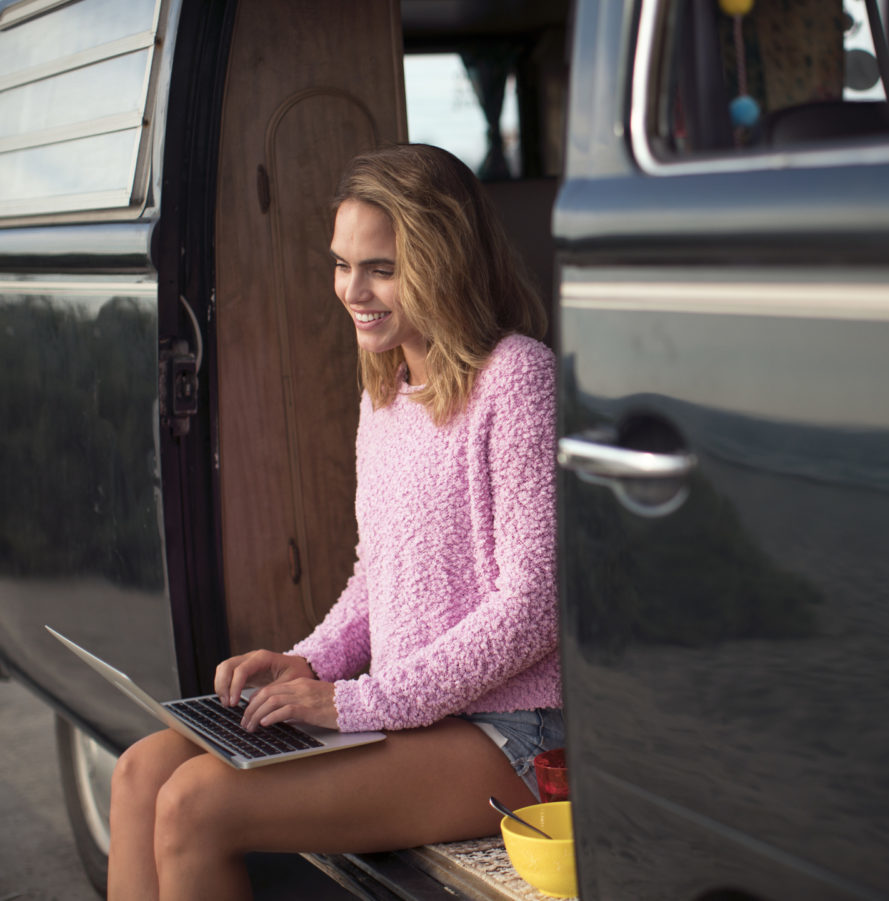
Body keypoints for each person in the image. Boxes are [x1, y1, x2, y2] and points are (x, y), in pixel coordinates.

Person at [107, 144, 561, 901]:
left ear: (442, 259)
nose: (353, 289)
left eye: (380, 266)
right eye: (342, 264)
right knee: (140, 773)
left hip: (510, 733)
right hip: (414, 711)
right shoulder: (385, 393)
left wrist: (354, 702)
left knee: (195, 806)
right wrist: (309, 662)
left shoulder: (516, 377)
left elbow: (534, 608)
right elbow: (374, 575)